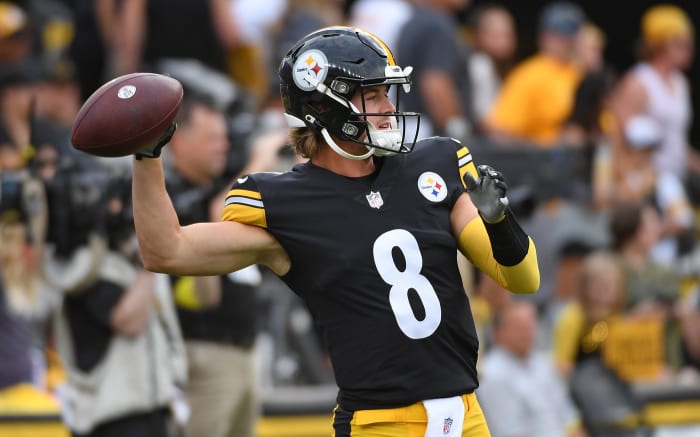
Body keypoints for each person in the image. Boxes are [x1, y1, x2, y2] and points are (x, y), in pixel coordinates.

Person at [128, 26, 540, 436]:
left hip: (466, 416)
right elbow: (167, 251)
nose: (388, 107)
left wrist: (499, 222)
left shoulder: (433, 164)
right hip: (379, 424)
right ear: (326, 106)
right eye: (373, 95)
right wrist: (147, 155)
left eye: (386, 93)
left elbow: (522, 279)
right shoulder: (286, 203)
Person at [477, 300, 586, 437]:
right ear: (498, 333)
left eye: (530, 325)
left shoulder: (542, 362)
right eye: (519, 327)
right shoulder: (491, 374)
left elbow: (570, 419)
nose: (527, 332)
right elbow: (511, 433)